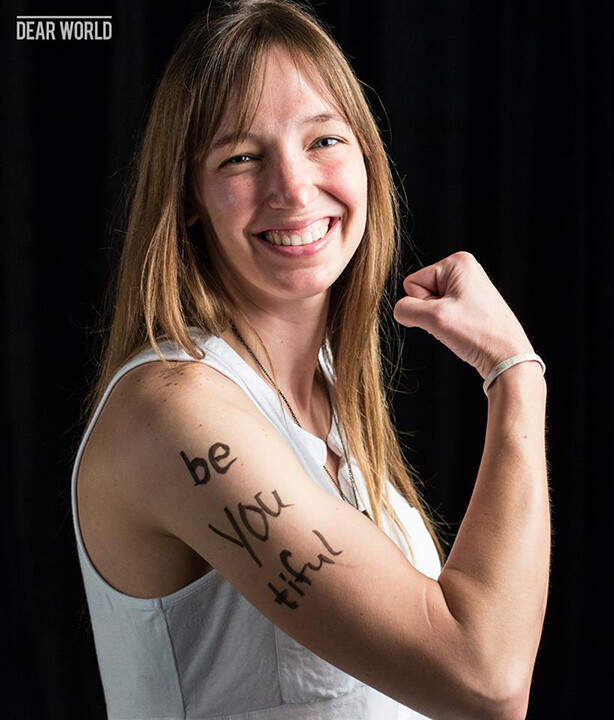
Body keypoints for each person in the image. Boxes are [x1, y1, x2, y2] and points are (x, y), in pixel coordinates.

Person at [71, 1, 551, 718]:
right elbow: (483, 676)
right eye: (241, 156)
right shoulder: (175, 411)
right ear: (190, 198)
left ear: (367, 161)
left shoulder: (333, 405)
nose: (294, 189)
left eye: (324, 140)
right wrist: (514, 373)